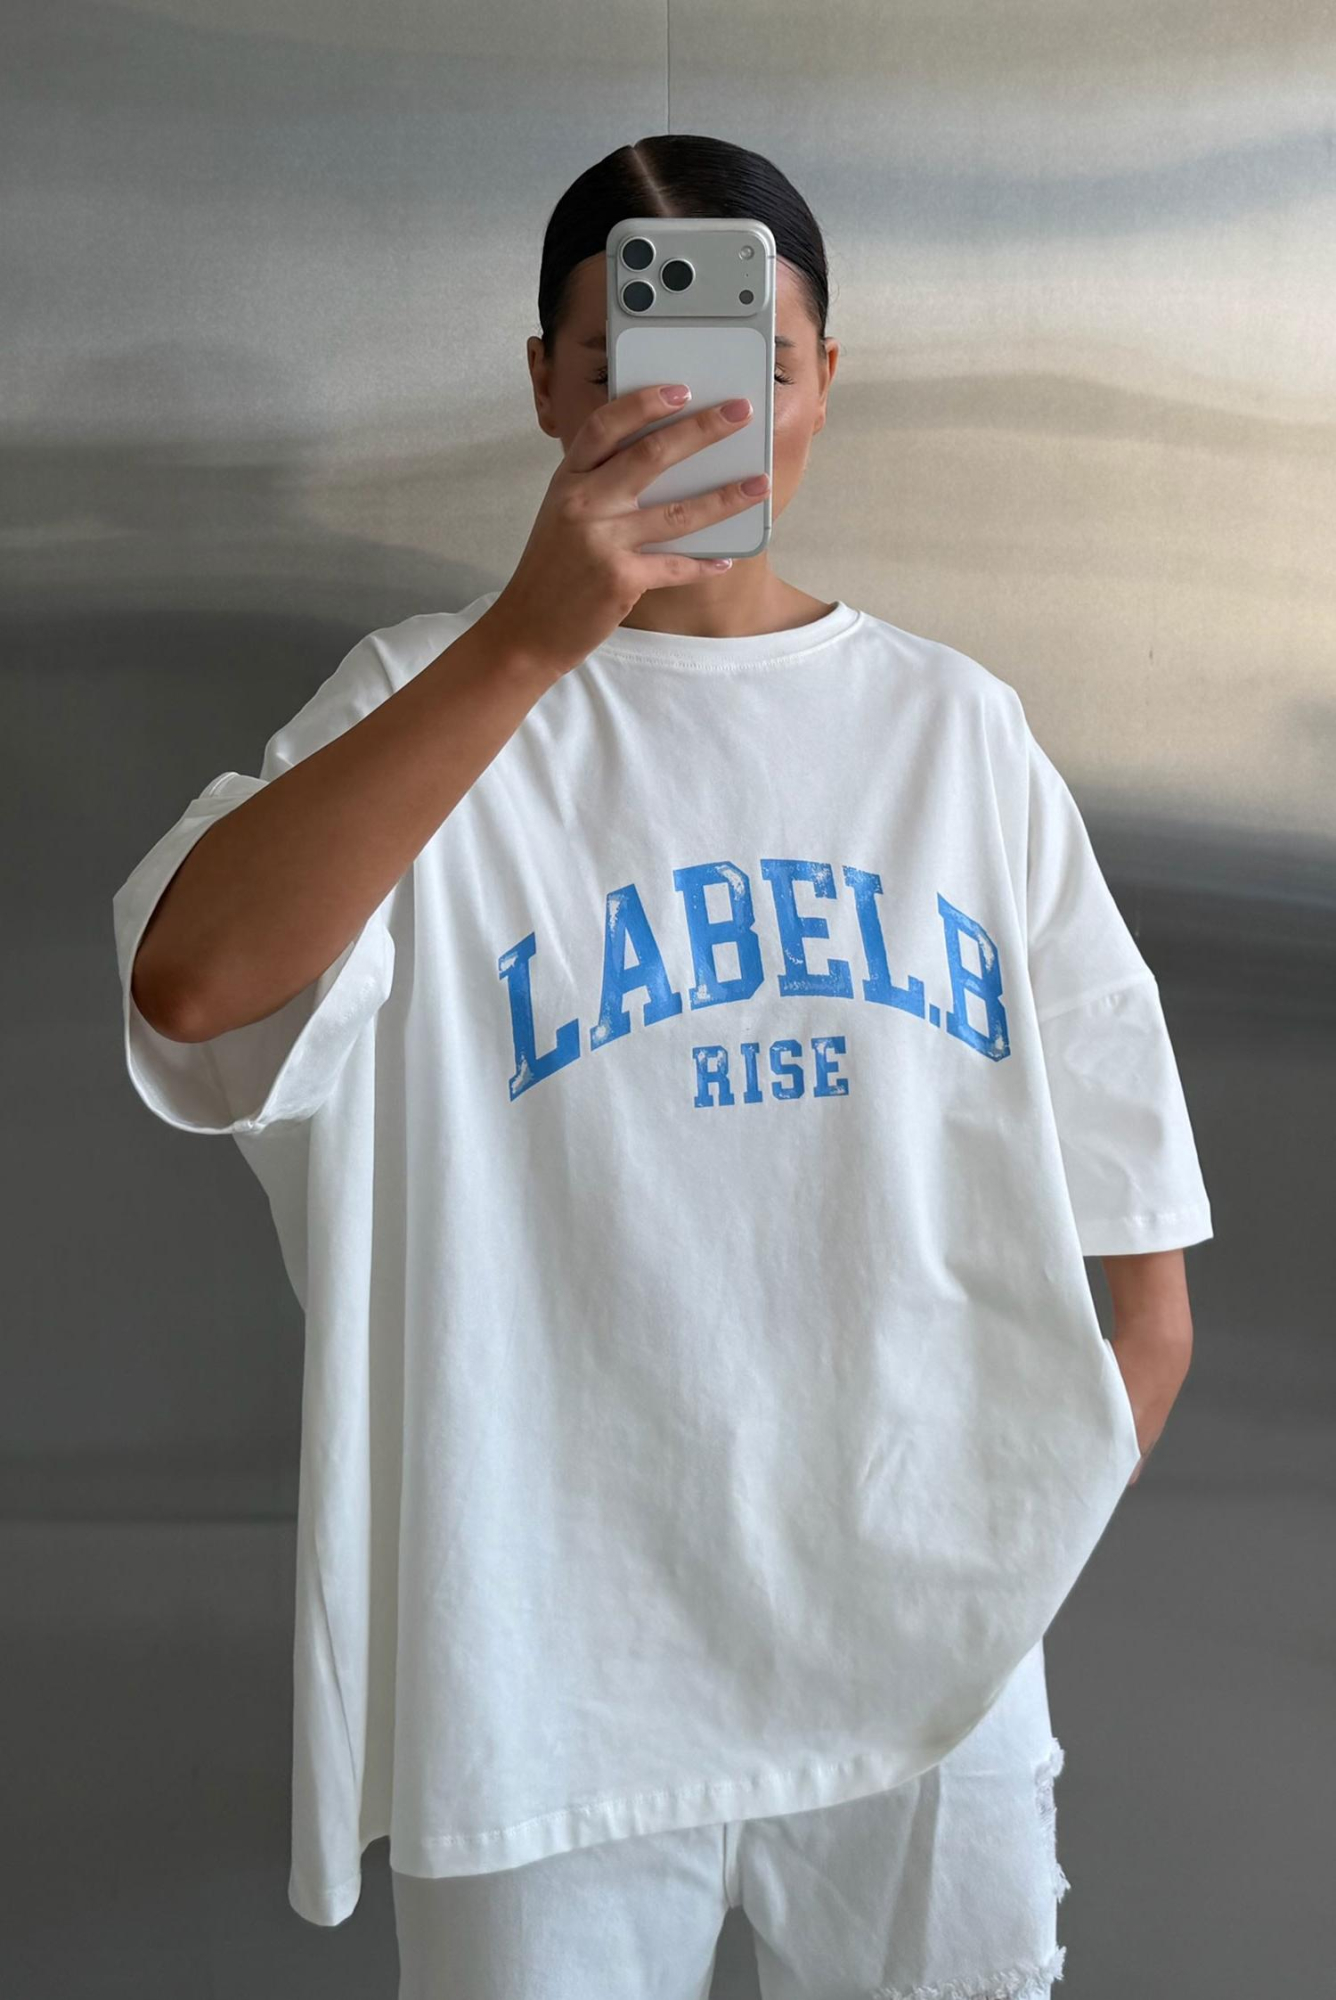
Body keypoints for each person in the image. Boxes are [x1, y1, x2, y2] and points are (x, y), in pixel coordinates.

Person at [111, 135, 1212, 2000]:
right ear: (547, 383)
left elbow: (1141, 1251)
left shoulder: (954, 733)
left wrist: (998, 1555)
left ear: (823, 382)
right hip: (549, 1691)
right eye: (627, 362)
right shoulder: (421, 703)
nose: (688, 413)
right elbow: (196, 988)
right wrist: (533, 642)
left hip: (929, 1689)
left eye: (750, 364)